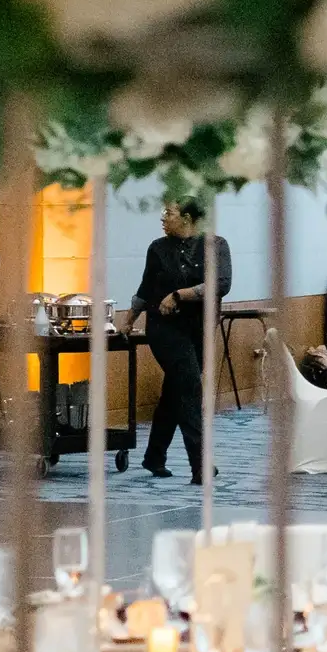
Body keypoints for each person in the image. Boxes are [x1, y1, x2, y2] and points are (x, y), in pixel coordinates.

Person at [127, 197, 231, 483]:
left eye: (169, 212)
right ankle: (200, 465)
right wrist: (129, 320)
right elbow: (146, 288)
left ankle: (154, 456)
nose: (163, 218)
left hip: (197, 328)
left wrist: (178, 295)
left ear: (187, 218)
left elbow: (221, 284)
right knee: (189, 388)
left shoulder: (216, 246)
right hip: (164, 329)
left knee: (175, 391)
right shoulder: (158, 248)